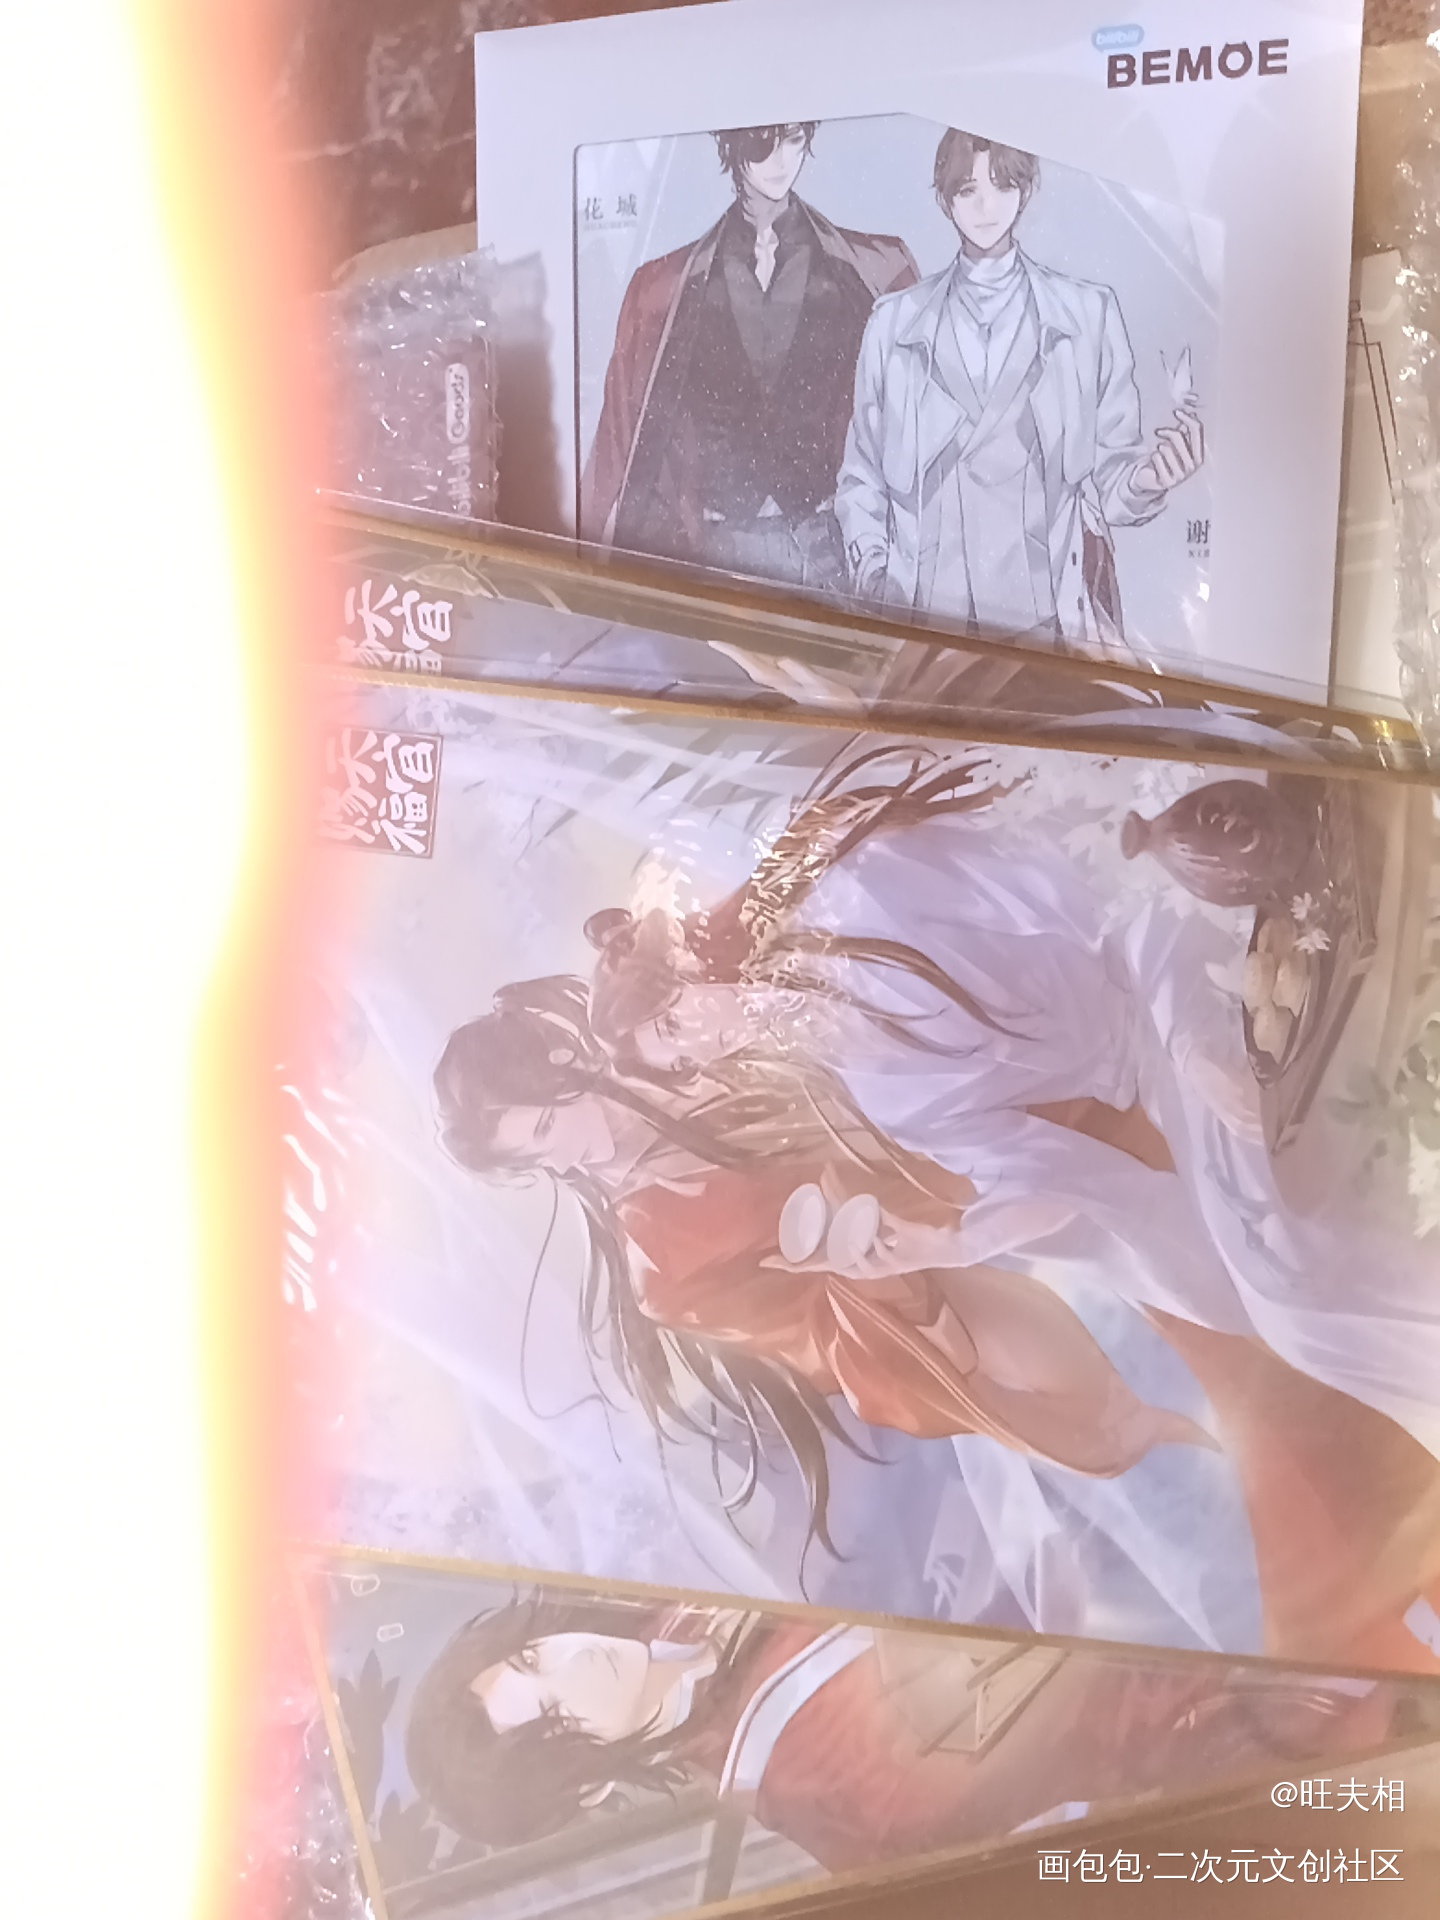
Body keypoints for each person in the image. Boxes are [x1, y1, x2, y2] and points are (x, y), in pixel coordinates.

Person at [404, 1587, 1411, 1866]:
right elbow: (1109, 1719)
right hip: (1232, 1661)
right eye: (554, 1714)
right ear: (583, 1781)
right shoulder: (823, 1783)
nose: (573, 1665)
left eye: (532, 1660)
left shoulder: (684, 1601)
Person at [834, 129, 1204, 650]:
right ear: (945, 199)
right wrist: (874, 573)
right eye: (968, 190)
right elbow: (861, 476)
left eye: (1002, 185)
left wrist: (1150, 478)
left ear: (1025, 191)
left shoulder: (1088, 317)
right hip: (923, 625)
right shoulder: (893, 324)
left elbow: (1112, 479)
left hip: (1044, 627)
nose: (986, 207)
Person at [581, 122, 918, 587]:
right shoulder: (662, 288)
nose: (781, 160)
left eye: (794, 140)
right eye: (764, 144)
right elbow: (617, 436)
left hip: (826, 545)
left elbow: (917, 428)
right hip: (714, 547)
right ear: (733, 147)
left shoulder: (876, 271)